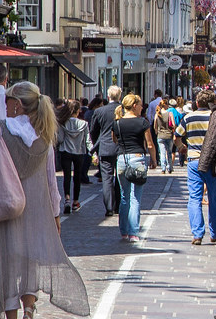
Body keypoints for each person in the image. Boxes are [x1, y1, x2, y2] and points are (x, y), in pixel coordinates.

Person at [0, 81, 90, 319]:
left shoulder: (1, 129)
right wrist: (55, 215)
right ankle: (29, 315)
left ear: (17, 104)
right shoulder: (44, 133)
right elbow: (51, 180)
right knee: (30, 263)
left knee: (8, 266)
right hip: (38, 209)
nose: (4, 105)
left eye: (7, 100)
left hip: (9, 206)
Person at [176, 90, 216, 245]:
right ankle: (215, 231)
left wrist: (181, 147)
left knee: (195, 198)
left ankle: (197, 234)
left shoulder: (188, 117)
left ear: (197, 103)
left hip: (194, 160)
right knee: (214, 197)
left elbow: (177, 135)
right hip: (214, 161)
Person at [112, 94, 157, 243]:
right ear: (134, 105)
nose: (142, 107)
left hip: (122, 159)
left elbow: (115, 140)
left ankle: (123, 231)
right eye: (141, 105)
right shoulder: (142, 122)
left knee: (124, 197)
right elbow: (149, 144)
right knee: (135, 197)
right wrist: (154, 160)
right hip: (137, 158)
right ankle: (133, 232)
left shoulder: (117, 123)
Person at [90, 86, 124, 217]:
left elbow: (93, 131)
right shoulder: (123, 111)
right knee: (120, 178)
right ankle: (118, 206)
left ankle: (109, 207)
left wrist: (96, 145)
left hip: (105, 147)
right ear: (119, 96)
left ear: (108, 96)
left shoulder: (100, 111)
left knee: (107, 179)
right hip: (121, 147)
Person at [57, 99, 92, 214]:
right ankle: (75, 202)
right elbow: (87, 141)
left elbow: (60, 139)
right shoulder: (84, 124)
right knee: (77, 177)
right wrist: (93, 153)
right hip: (79, 152)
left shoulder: (63, 123)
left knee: (67, 176)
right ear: (78, 111)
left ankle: (67, 199)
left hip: (65, 151)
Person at [154, 98, 176, 174]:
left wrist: (157, 132)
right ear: (166, 105)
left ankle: (163, 168)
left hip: (160, 136)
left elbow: (155, 126)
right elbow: (173, 124)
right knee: (169, 152)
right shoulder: (170, 114)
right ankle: (169, 167)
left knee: (162, 152)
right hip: (169, 135)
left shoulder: (157, 114)